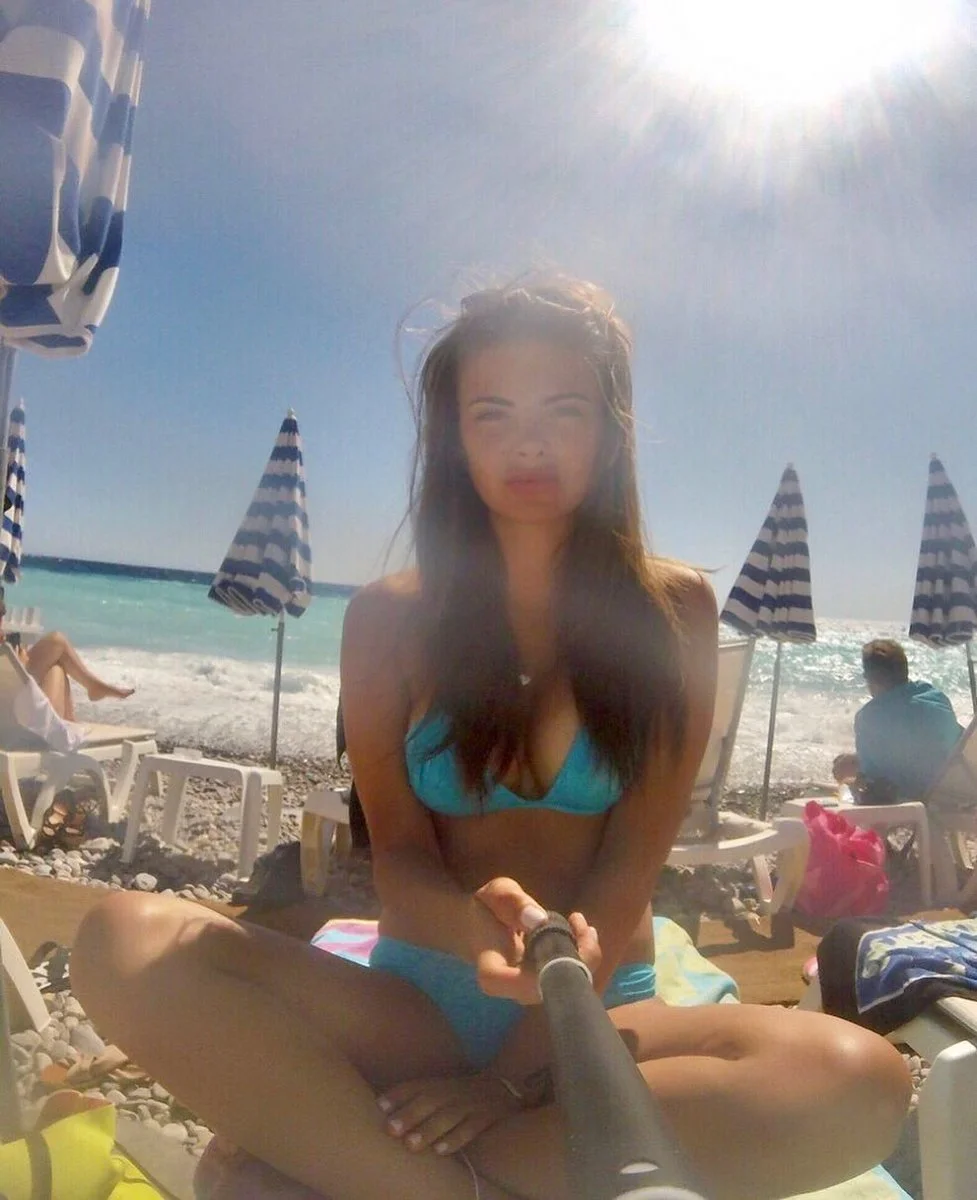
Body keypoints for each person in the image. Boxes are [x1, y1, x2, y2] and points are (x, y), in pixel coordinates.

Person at [70, 278, 910, 1200]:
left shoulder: (672, 611)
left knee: (859, 1078)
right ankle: (452, 1186)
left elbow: (634, 860)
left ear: (610, 431)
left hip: (594, 1009)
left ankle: (388, 1161)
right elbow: (397, 853)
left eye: (563, 410)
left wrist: (512, 1071)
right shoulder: (389, 619)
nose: (528, 442)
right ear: (454, 437)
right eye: (492, 412)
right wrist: (482, 927)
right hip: (421, 1001)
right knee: (123, 936)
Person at [833, 639, 963, 802]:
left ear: (871, 678)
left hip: (909, 803)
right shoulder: (936, 697)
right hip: (954, 796)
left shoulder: (869, 717)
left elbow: (873, 782)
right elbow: (921, 746)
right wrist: (857, 760)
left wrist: (851, 775)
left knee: (845, 781)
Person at [0, 588, 134, 720]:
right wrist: (20, 665)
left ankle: (84, 698)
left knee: (56, 660)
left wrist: (17, 662)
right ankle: (90, 691)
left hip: (17, 707)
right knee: (56, 646)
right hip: (20, 717)